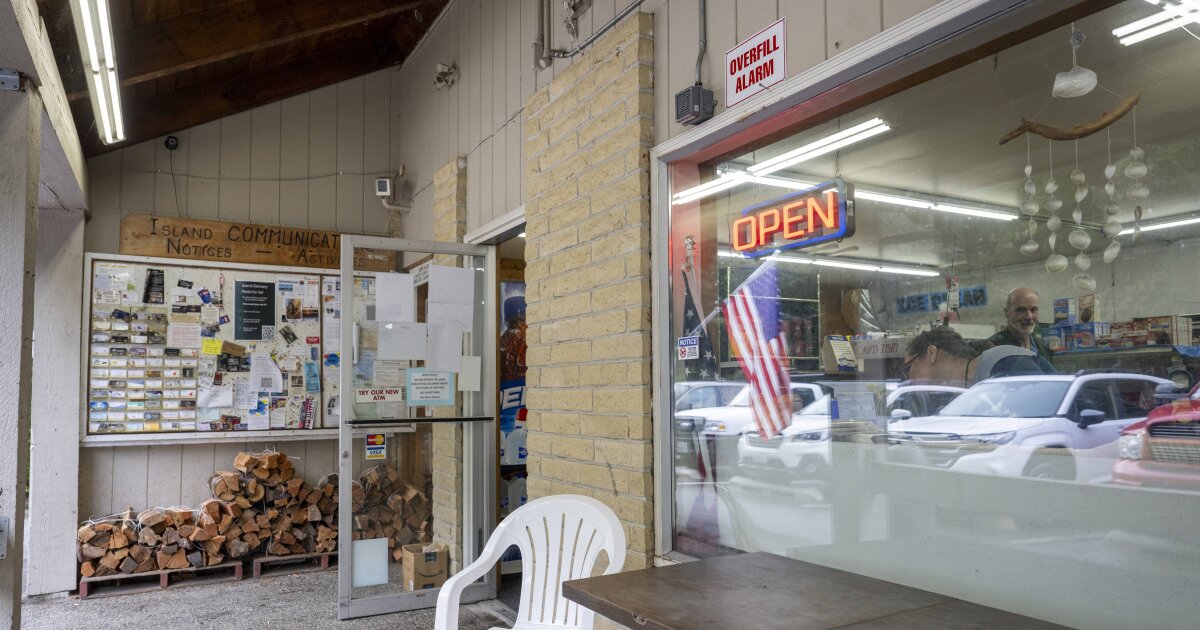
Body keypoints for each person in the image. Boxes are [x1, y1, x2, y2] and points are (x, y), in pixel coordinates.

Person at [903, 327, 1053, 386]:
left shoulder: (1004, 363)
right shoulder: (962, 392)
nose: (908, 376)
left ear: (931, 353)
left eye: (909, 367)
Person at [988, 287, 1055, 361]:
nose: (1029, 317)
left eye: (1033, 310)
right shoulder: (991, 348)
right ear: (1007, 312)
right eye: (1021, 310)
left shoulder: (1044, 348)